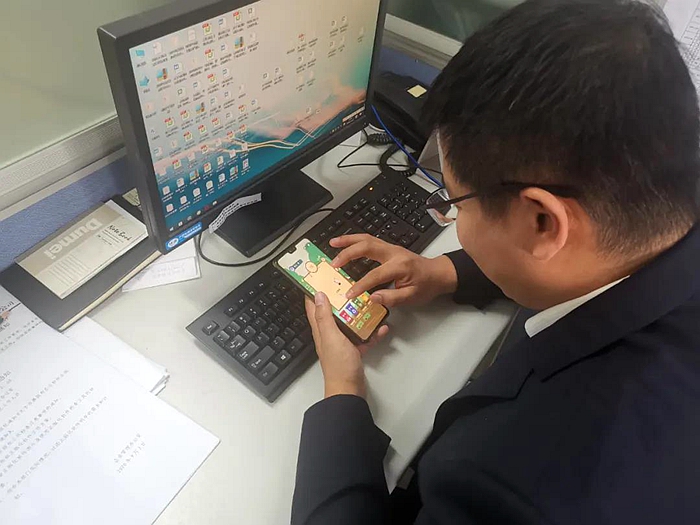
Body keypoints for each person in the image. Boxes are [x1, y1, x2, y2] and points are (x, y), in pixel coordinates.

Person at [292, 0, 700, 523]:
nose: (453, 216)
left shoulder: (512, 481)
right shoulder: (659, 216)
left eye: (455, 201)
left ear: (542, 222)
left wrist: (342, 393)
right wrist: (444, 272)